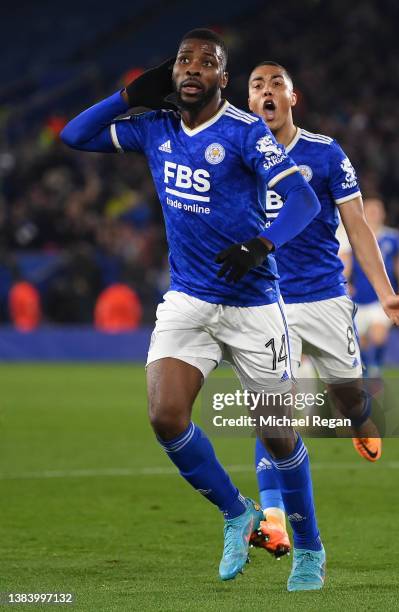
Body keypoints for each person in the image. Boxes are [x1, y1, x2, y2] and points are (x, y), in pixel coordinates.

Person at [61, 30, 326, 591]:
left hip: (253, 304)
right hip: (188, 300)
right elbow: (73, 135)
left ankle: (309, 548)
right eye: (183, 60)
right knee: (165, 416)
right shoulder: (154, 127)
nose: (192, 68)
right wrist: (129, 96)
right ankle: (237, 512)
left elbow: (303, 199)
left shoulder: (245, 133)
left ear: (222, 80)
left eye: (207, 63)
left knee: (278, 435)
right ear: (170, 71)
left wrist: (262, 244)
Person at [247, 61, 399, 557]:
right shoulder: (237, 153)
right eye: (258, 85)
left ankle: (361, 419)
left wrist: (384, 292)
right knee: (273, 411)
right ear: (249, 102)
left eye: (277, 84)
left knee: (348, 398)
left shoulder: (324, 153)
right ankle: (273, 517)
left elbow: (358, 226)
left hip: (323, 297)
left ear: (292, 99)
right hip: (267, 303)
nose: (268, 91)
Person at [349, 198, 399, 378]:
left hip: (382, 297)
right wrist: (346, 283)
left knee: (378, 335)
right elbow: (344, 261)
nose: (374, 214)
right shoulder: (353, 237)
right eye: (369, 210)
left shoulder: (393, 237)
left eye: (377, 210)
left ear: (383, 213)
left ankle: (376, 368)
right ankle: (368, 370)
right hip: (357, 298)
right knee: (361, 342)